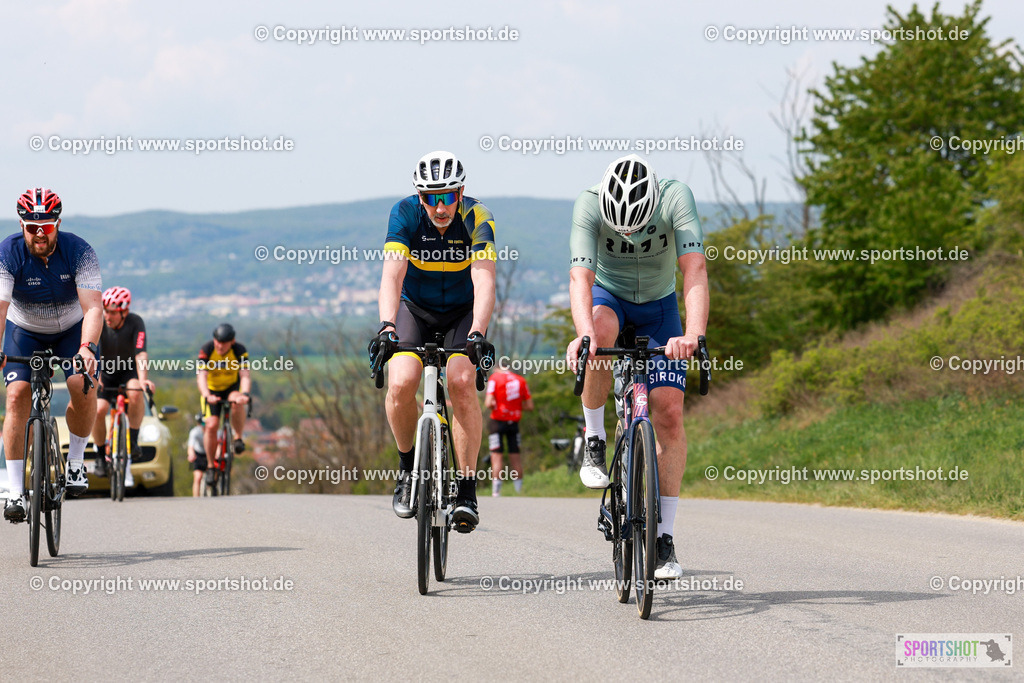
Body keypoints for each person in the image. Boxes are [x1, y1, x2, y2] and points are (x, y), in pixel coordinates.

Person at [565, 155, 709, 579]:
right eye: (619, 228)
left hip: (660, 307)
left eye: (636, 226)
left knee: (668, 413)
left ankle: (663, 540)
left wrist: (694, 335)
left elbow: (695, 270)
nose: (627, 234)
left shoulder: (675, 198)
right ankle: (594, 437)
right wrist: (583, 334)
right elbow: (580, 279)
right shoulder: (588, 204)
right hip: (610, 297)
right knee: (599, 335)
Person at [368, 150, 496, 533]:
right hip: (415, 311)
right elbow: (392, 276)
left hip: (461, 314)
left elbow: (485, 279)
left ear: (461, 192)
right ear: (419, 198)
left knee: (460, 383)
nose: (440, 207)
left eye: (448, 196)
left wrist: (478, 333)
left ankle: (467, 489)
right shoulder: (404, 214)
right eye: (430, 198)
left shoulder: (478, 216)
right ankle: (408, 470)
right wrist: (387, 327)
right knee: (401, 382)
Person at [2, 188, 102, 522]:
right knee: (16, 395)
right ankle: (14, 489)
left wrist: (87, 348)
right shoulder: (7, 253)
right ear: (21, 224)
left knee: (82, 383)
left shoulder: (79, 251)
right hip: (25, 330)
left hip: (72, 330)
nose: (39, 233)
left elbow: (93, 309)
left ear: (57, 223)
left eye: (46, 226)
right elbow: (0, 308)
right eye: (31, 227)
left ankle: (75, 462)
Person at [90, 286, 154, 488]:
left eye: (113, 312)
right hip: (106, 374)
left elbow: (141, 353)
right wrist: (96, 378)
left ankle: (133, 441)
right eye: (106, 311)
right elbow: (92, 353)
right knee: (98, 411)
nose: (108, 316)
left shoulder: (136, 322)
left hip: (129, 372)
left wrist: (143, 379)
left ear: (124, 311)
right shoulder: (98, 321)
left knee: (135, 393)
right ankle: (101, 456)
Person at [196, 323, 251, 476]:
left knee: (236, 401)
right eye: (217, 342)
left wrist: (244, 393)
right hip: (211, 390)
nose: (219, 346)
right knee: (212, 425)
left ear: (232, 342)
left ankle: (238, 438)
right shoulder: (207, 350)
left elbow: (245, 375)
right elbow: (201, 376)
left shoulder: (239, 350)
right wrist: (207, 395)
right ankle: (210, 466)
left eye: (223, 343)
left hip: (231, 388)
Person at [484, 369, 533, 496]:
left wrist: (498, 405)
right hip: (514, 423)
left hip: (497, 422)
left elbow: (488, 403)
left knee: (496, 457)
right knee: (515, 457)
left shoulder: (495, 378)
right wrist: (514, 407)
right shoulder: (521, 380)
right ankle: (518, 491)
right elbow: (530, 406)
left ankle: (496, 492)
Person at [186, 414, 208, 497]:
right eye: (201, 423)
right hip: (199, 454)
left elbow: (219, 445)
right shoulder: (195, 432)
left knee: (213, 477)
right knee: (198, 477)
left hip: (210, 454)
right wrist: (191, 455)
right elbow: (191, 446)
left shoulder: (214, 431)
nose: (203, 426)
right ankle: (196, 498)